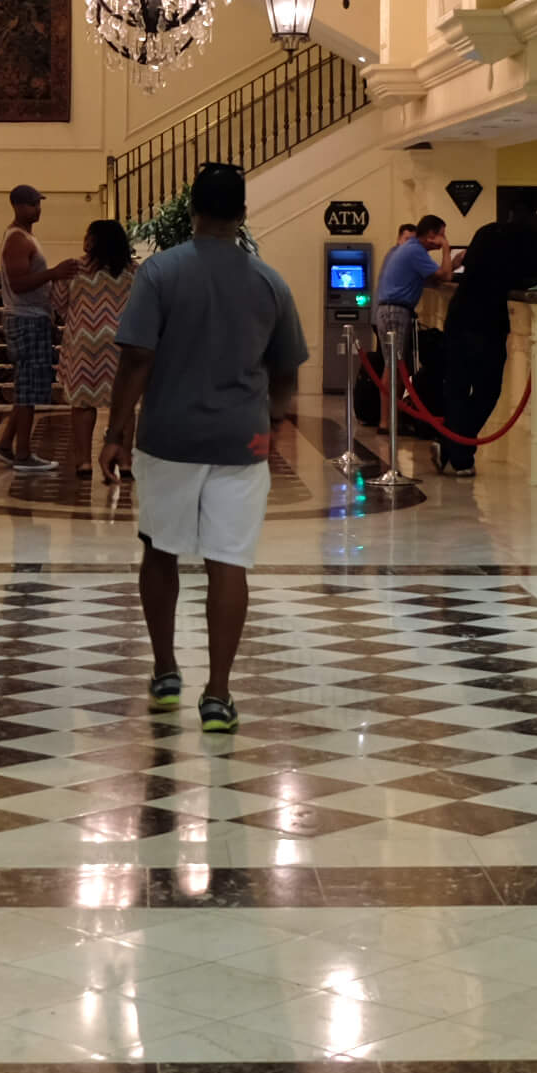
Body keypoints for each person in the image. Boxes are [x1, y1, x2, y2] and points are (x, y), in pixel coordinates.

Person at [101, 163, 307, 734]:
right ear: (242, 215)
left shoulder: (161, 274)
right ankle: (218, 693)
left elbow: (136, 360)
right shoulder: (270, 282)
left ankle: (166, 669)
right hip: (242, 440)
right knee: (229, 562)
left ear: (191, 210)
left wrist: (115, 433)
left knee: (160, 551)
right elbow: (287, 372)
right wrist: (270, 421)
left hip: (168, 437)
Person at [427, 214, 537, 476]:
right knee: (488, 391)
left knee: (457, 388)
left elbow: (471, 266)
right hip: (489, 324)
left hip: (460, 317)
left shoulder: (485, 233)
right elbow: (532, 278)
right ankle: (457, 450)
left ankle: (455, 449)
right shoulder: (527, 241)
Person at [0, 184, 78, 475]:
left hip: (34, 317)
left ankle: (6, 444)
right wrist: (54, 273)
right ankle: (24, 454)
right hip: (25, 319)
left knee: (26, 388)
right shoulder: (17, 239)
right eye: (32, 204)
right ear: (17, 205)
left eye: (39, 203)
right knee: (29, 389)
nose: (38, 209)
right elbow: (18, 284)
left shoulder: (26, 236)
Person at [58, 218, 137, 483]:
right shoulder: (134, 272)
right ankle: (125, 461)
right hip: (122, 346)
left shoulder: (74, 269)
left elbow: (59, 304)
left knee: (83, 405)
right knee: (123, 405)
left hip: (83, 345)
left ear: (93, 240)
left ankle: (83, 463)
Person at [375, 214, 448, 369]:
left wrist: (451, 265)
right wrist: (447, 249)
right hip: (395, 312)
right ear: (431, 235)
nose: (443, 239)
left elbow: (434, 279)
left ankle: (393, 394)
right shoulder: (416, 250)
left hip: (389, 310)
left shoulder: (411, 248)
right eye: (442, 235)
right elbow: (445, 275)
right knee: (394, 366)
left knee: (396, 365)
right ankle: (391, 394)